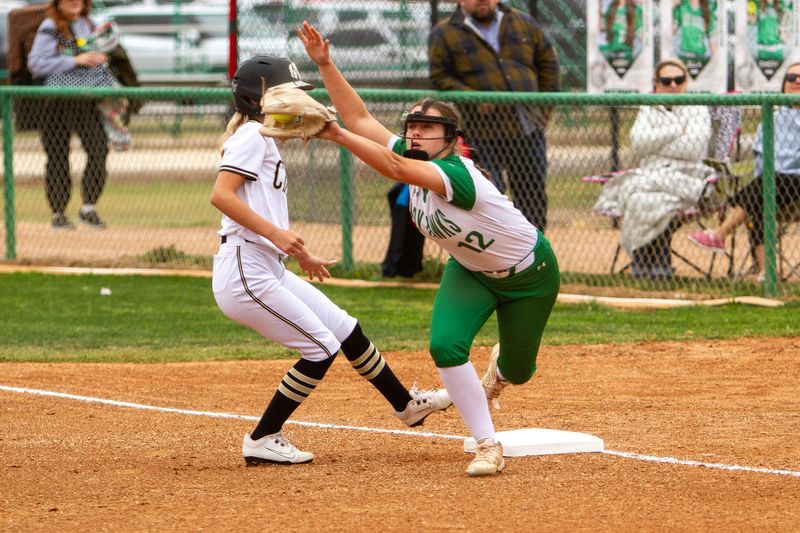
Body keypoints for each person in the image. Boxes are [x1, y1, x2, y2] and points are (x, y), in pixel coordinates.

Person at [299, 22, 560, 476]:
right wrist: (325, 64)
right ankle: (487, 444)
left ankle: (498, 374)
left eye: (428, 128)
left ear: (452, 139)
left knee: (520, 370)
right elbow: (361, 119)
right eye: (413, 126)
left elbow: (392, 164)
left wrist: (336, 136)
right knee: (445, 346)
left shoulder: (456, 174)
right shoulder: (415, 155)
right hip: (470, 271)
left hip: (530, 274)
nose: (416, 133)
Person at [210, 55, 451, 466]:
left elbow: (262, 211)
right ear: (259, 100)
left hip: (265, 266)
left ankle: (405, 405)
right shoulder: (250, 135)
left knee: (344, 327)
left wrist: (299, 254)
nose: (299, 105)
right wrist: (277, 236)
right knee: (320, 347)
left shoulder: (263, 137)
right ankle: (263, 437)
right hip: (244, 272)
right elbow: (222, 196)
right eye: (288, 96)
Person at [427, 0, 560, 232]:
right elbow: (440, 77)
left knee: (533, 196)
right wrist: (472, 97)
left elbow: (548, 63)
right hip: (480, 134)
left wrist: (543, 108)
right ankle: (495, 260)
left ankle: (534, 254)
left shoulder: (523, 22)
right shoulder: (444, 33)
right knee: (488, 197)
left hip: (526, 128)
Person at [593, 58, 714, 280]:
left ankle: (650, 264)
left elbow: (695, 148)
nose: (673, 86)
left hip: (686, 179)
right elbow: (638, 142)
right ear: (656, 84)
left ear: (686, 82)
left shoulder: (697, 107)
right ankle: (652, 263)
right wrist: (677, 130)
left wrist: (657, 146)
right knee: (641, 199)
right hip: (650, 177)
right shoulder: (649, 107)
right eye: (667, 81)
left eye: (679, 80)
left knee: (653, 201)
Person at [688, 62, 800, 282]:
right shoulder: (772, 118)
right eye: (791, 76)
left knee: (770, 182)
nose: (797, 80)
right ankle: (767, 273)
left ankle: (719, 234)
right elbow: (761, 157)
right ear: (783, 84)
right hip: (775, 189)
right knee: (760, 198)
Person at [27, 0, 111, 229]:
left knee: (99, 148)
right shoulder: (50, 26)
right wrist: (74, 60)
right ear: (58, 3)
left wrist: (98, 59)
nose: (75, 2)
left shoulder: (88, 24)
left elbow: (93, 53)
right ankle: (58, 213)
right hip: (57, 102)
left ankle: (88, 208)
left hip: (85, 99)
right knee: (57, 155)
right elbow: (36, 64)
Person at [381, 182, 426, 278]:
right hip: (404, 205)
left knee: (412, 238)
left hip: (413, 205)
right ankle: (393, 269)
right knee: (400, 238)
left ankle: (406, 269)